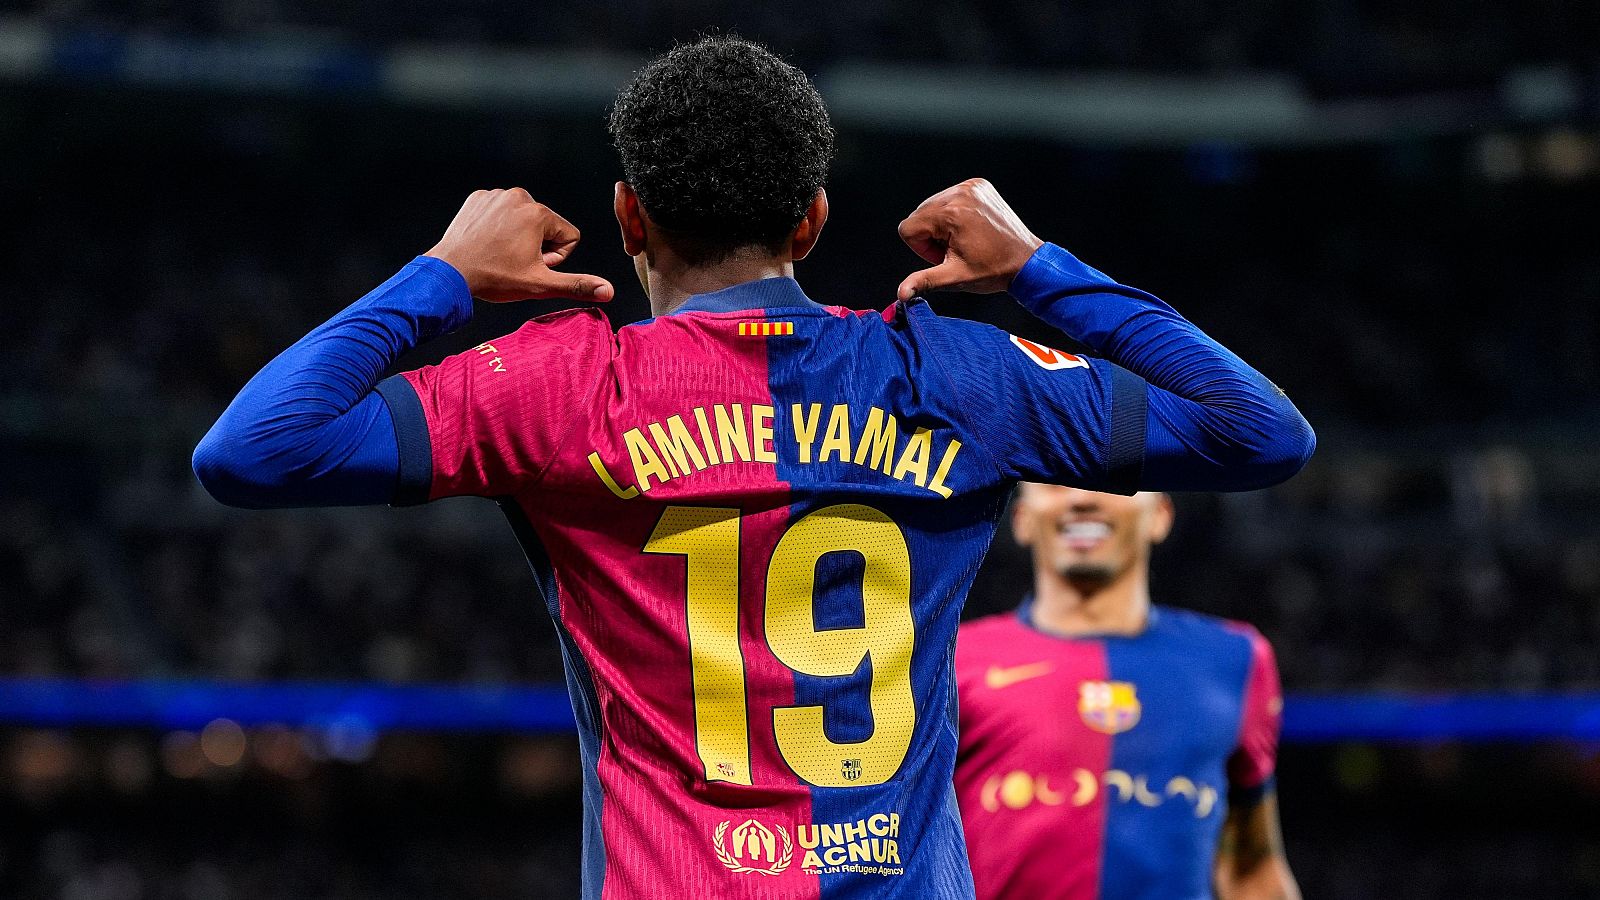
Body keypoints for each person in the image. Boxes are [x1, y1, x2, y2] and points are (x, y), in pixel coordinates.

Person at [192, 35, 1314, 900]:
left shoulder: (560, 384)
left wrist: (441, 275)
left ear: (628, 218)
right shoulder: (949, 372)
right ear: (813, 220)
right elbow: (1260, 431)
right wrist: (1037, 269)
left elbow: (252, 451)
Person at [955, 485, 1301, 900]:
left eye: (1115, 482)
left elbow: (1253, 871)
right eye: (1055, 482)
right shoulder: (952, 662)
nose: (1082, 498)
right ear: (1021, 519)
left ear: (1161, 515)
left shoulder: (1236, 661)